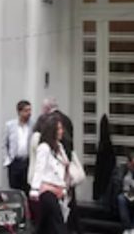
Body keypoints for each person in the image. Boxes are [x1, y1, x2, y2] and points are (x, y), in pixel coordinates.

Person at [30, 116, 70, 234]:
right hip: (47, 191)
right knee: (58, 223)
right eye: (59, 129)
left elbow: (63, 166)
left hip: (58, 190)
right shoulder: (44, 148)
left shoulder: (59, 147)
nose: (61, 131)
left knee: (45, 226)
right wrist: (34, 189)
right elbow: (39, 169)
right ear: (52, 130)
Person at [47, 97, 80, 233]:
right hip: (66, 163)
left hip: (59, 165)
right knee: (69, 197)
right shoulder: (67, 119)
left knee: (62, 200)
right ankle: (73, 226)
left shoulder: (50, 121)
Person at [2, 100, 33, 195]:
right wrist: (7, 160)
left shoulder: (33, 125)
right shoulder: (10, 125)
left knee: (27, 189)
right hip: (14, 162)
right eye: (26, 111)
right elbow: (4, 144)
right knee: (14, 190)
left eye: (30, 110)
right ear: (20, 112)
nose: (29, 113)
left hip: (27, 162)